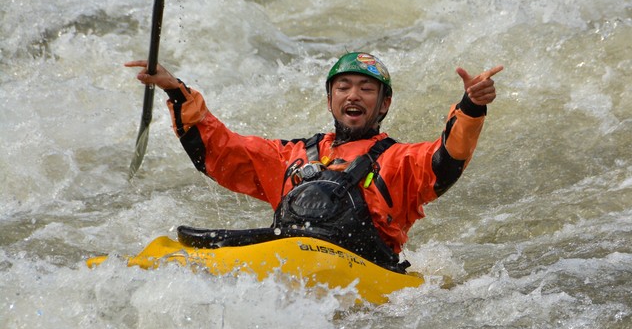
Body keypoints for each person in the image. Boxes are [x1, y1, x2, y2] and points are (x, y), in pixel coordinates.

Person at [125, 53, 503, 273]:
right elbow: (220, 151)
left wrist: (472, 106)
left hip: (364, 272)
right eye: (343, 87)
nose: (354, 95)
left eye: (366, 89)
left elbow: (448, 157)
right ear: (330, 100)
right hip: (289, 255)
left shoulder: (401, 160)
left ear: (383, 104)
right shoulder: (291, 156)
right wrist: (176, 90)